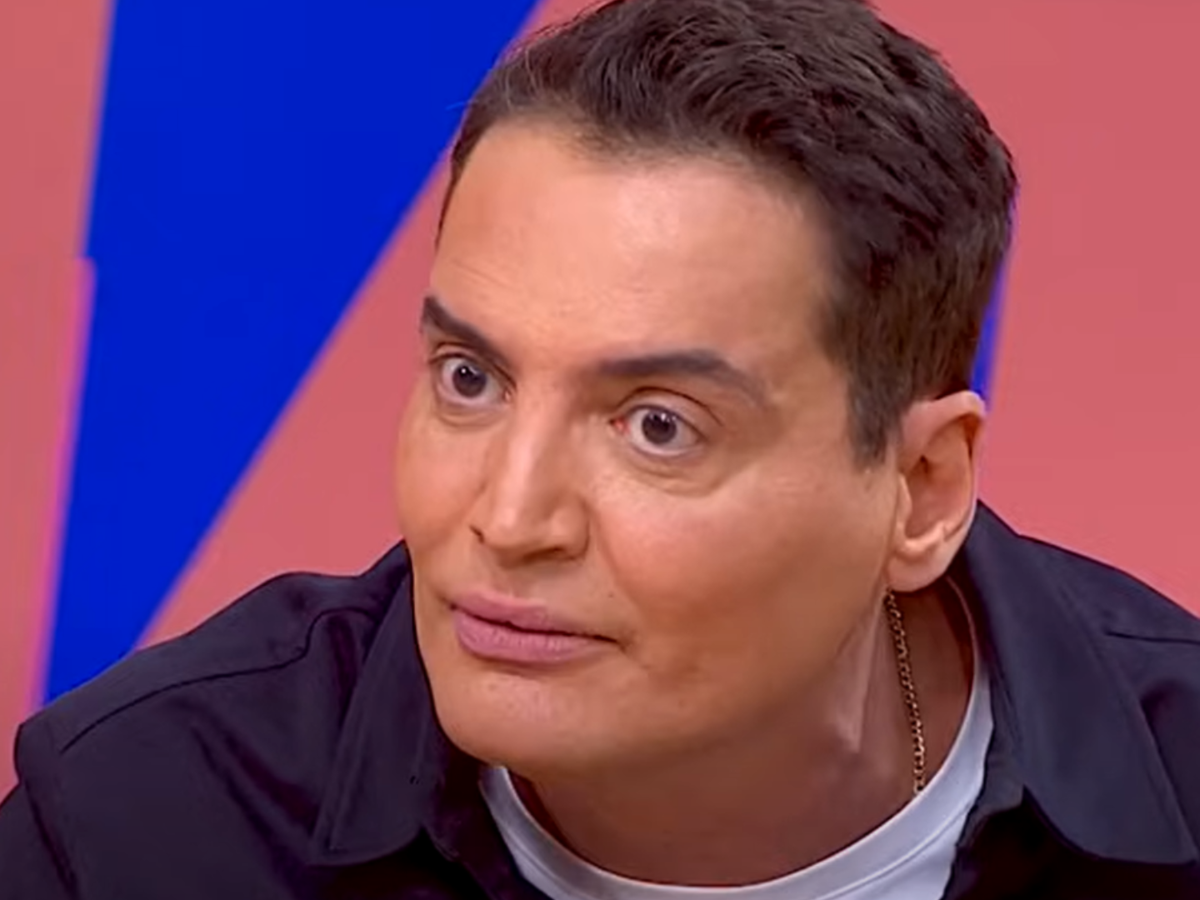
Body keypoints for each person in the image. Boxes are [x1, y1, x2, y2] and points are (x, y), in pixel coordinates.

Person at [3, 0, 1199, 896]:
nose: (510, 517)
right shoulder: (144, 824)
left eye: (658, 426)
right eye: (470, 380)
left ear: (922, 490)